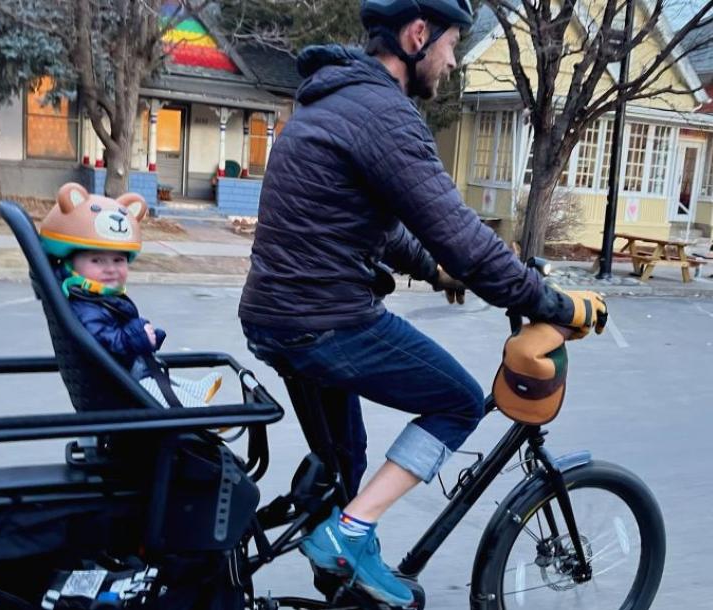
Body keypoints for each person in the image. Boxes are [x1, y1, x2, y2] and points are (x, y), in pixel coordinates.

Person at [238, 0, 607, 606]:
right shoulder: (383, 113)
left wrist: (434, 271)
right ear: (417, 35)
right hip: (326, 320)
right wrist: (556, 305)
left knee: (346, 466)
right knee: (459, 400)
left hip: (275, 317)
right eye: (451, 45)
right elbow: (462, 236)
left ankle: (345, 572)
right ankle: (348, 537)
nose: (453, 60)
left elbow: (376, 226)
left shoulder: (329, 103)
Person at [40, 182, 221, 408]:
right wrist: (136, 337)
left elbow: (116, 335)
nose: (110, 268)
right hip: (115, 386)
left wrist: (148, 337)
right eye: (97, 260)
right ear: (71, 263)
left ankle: (192, 394)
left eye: (118, 260)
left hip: (122, 374)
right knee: (154, 387)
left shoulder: (95, 298)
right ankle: (201, 415)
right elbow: (103, 342)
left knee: (159, 378)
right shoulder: (83, 306)